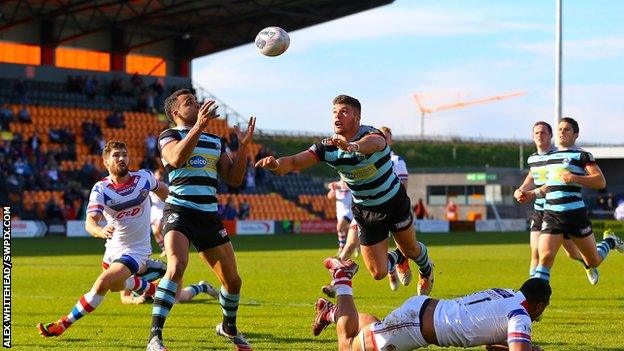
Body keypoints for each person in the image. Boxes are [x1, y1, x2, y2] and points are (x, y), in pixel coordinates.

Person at [256, 95, 434, 295]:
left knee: (411, 249)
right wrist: (276, 165)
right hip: (366, 211)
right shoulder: (326, 147)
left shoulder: (372, 134)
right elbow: (295, 162)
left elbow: (374, 143)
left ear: (357, 118)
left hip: (393, 201)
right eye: (334, 112)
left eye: (344, 112)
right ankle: (399, 259)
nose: (337, 116)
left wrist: (352, 146)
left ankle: (426, 270)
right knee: (378, 272)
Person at [146, 89, 256, 351]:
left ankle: (228, 328)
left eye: (196, 102)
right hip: (179, 211)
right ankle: (155, 337)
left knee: (233, 281)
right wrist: (198, 126)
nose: (195, 105)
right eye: (189, 103)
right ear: (175, 113)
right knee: (176, 265)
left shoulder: (215, 141)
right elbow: (176, 158)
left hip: (208, 215)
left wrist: (243, 147)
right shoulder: (168, 136)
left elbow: (234, 179)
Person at [37, 141, 169, 337]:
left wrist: (177, 207)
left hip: (137, 251)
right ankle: (151, 288)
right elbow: (89, 223)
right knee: (116, 286)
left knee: (102, 283)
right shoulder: (101, 189)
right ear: (106, 161)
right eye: (116, 155)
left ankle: (63, 324)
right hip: (113, 249)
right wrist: (100, 231)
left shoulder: (144, 178)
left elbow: (164, 191)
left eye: (124, 154)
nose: (122, 158)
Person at [313, 257, 550, 351]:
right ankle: (342, 278)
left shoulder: (507, 294)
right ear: (539, 305)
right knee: (347, 347)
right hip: (412, 327)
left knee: (375, 326)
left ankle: (331, 313)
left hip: (422, 313)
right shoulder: (520, 315)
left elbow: (492, 344)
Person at [517, 117, 624, 283]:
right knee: (544, 257)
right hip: (552, 215)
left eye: (566, 130)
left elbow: (600, 181)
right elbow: (550, 186)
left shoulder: (581, 155)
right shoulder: (549, 157)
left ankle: (610, 241)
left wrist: (575, 177)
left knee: (593, 260)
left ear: (576, 135)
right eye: (560, 129)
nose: (561, 132)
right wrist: (530, 194)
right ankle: (534, 299)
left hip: (575, 215)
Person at [119, 258, 219, 305]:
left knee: (183, 297)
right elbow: (124, 297)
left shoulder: (159, 266)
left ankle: (203, 287)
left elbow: (178, 276)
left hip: (162, 293)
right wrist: (137, 300)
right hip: (141, 296)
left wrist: (175, 299)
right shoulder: (126, 270)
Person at [327, 180, 353, 255]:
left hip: (349, 210)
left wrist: (337, 186)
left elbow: (348, 187)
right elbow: (329, 196)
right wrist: (332, 191)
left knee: (339, 227)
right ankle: (355, 246)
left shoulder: (350, 183)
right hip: (340, 211)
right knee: (345, 229)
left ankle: (342, 248)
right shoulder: (336, 184)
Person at [149, 169, 167, 256]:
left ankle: (168, 248)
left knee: (158, 230)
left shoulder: (165, 186)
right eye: (157, 175)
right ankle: (164, 249)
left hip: (162, 210)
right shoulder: (150, 188)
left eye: (160, 175)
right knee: (155, 232)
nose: (159, 177)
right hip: (154, 211)